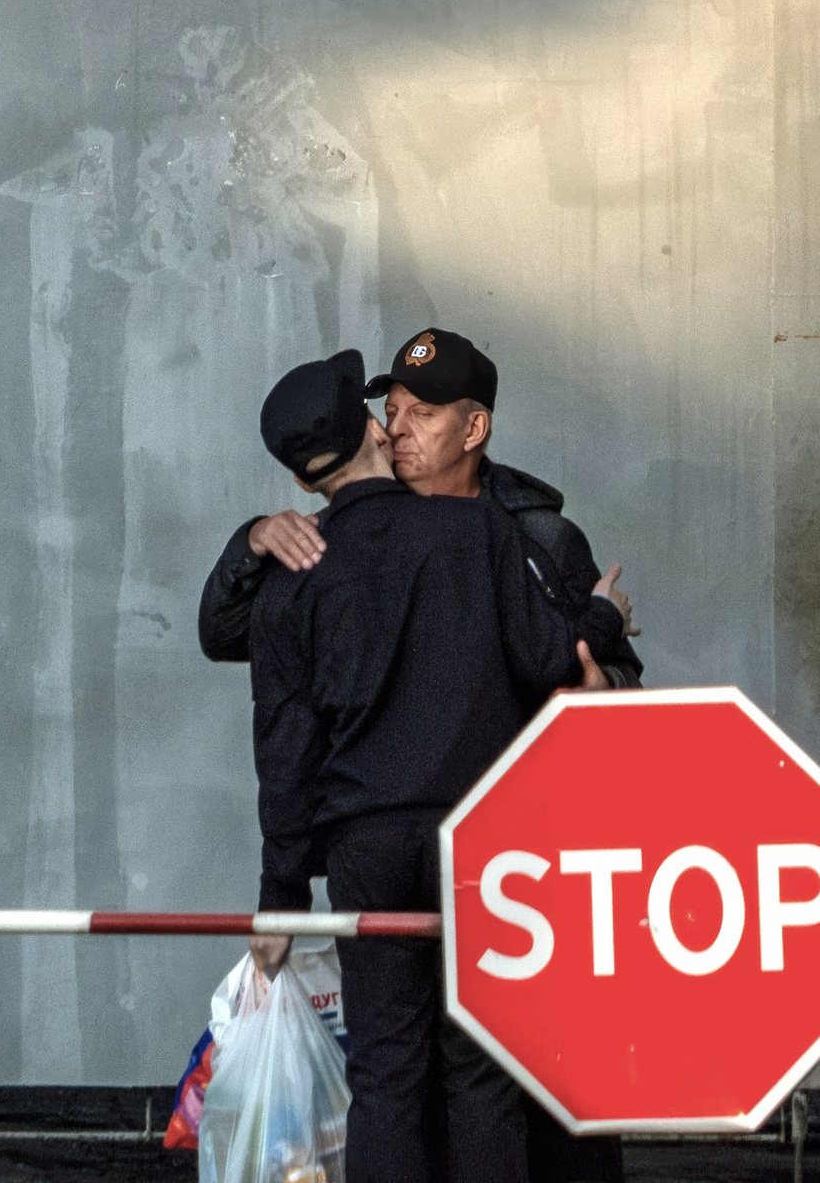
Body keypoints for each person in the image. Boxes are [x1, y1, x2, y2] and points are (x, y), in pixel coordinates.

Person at [244, 346, 624, 1183]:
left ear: (303, 480)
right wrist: (602, 612)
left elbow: (284, 754)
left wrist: (282, 898)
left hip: (363, 845)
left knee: (384, 1074)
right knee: (482, 1073)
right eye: (387, 414)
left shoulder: (286, 581)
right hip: (480, 839)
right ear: (374, 434)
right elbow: (548, 657)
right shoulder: (475, 531)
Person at [199, 324, 642, 689]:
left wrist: (603, 686)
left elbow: (624, 677)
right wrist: (253, 541)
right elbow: (226, 637)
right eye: (391, 412)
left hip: (522, 767)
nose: (396, 430)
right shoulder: (350, 530)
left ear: (473, 430)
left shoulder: (542, 536)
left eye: (423, 414)